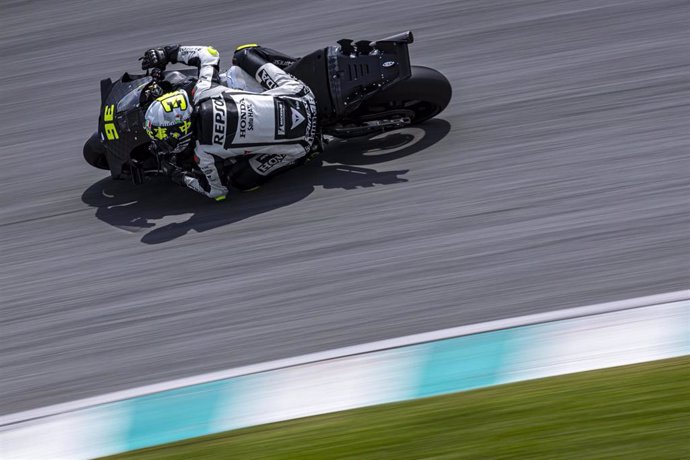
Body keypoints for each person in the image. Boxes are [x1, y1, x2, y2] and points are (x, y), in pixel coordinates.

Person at [140, 44, 317, 200]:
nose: (160, 141)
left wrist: (178, 176)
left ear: (183, 130)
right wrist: (167, 53)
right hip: (301, 94)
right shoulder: (204, 91)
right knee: (243, 54)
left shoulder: (204, 154)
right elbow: (208, 53)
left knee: (239, 182)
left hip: (302, 143)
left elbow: (217, 192)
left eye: (163, 136)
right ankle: (295, 66)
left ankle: (305, 154)